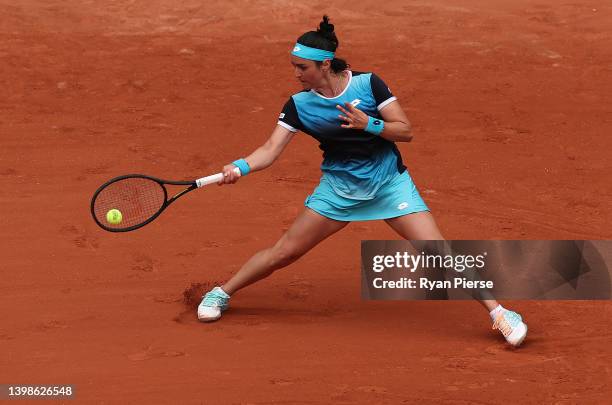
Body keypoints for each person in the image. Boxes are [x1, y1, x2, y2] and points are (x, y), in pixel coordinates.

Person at [197, 15, 527, 347]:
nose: (296, 73)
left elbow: (405, 130)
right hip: (338, 191)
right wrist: (239, 167)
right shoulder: (298, 105)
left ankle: (499, 313)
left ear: (324, 65)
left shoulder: (368, 85)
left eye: (302, 67)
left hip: (389, 185)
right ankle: (221, 293)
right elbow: (269, 150)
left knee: (438, 251)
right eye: (294, 67)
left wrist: (369, 124)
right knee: (284, 253)